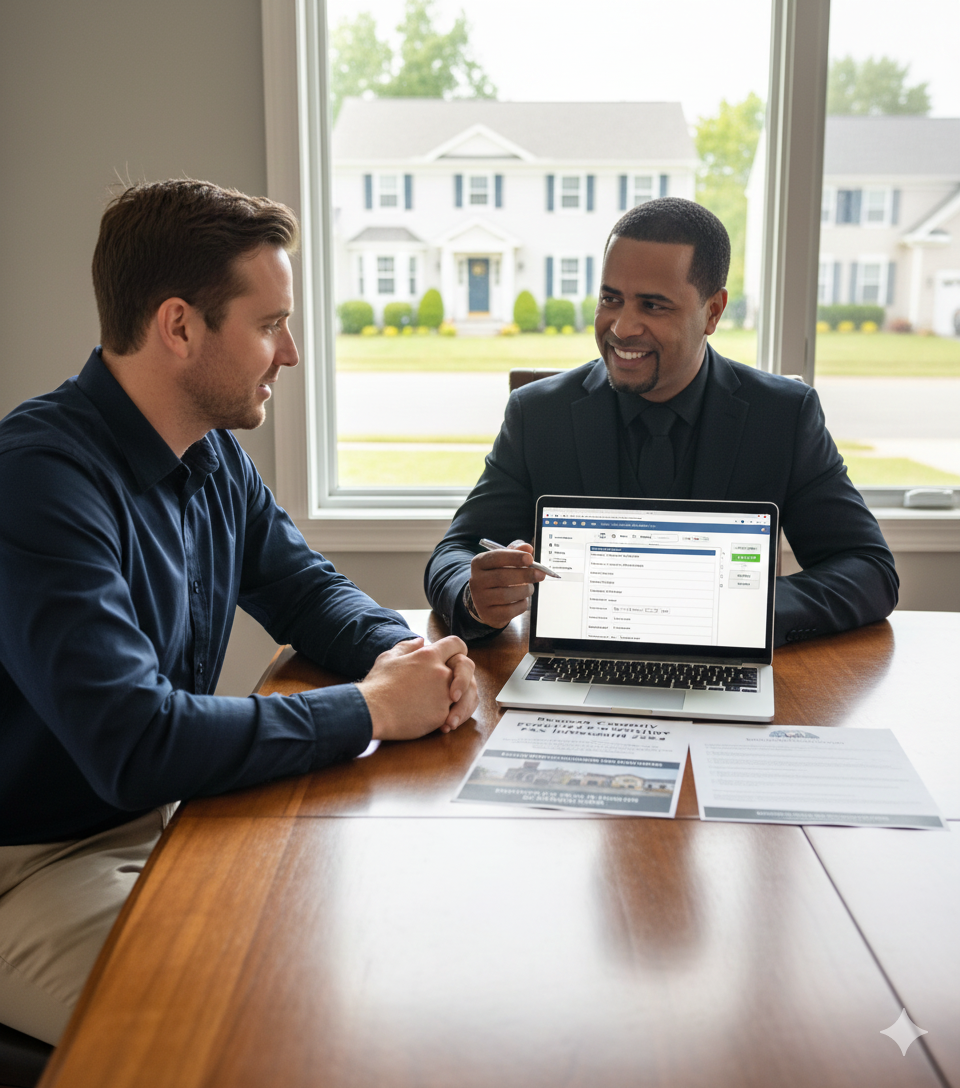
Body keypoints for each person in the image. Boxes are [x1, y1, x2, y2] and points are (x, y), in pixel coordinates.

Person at [0, 179, 478, 1045]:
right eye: (268, 325)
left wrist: (413, 657)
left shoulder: (210, 451)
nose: (289, 353)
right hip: (29, 865)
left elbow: (306, 589)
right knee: (258, 1028)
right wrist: (372, 707)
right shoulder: (37, 482)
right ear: (179, 326)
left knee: (376, 951)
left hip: (166, 816)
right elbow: (137, 743)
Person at [425, 197, 898, 646]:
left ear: (712, 311)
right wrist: (475, 597)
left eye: (652, 305)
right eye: (611, 299)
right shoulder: (537, 415)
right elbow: (455, 553)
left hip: (725, 675)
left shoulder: (783, 416)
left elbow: (870, 569)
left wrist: (741, 611)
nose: (621, 327)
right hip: (575, 677)